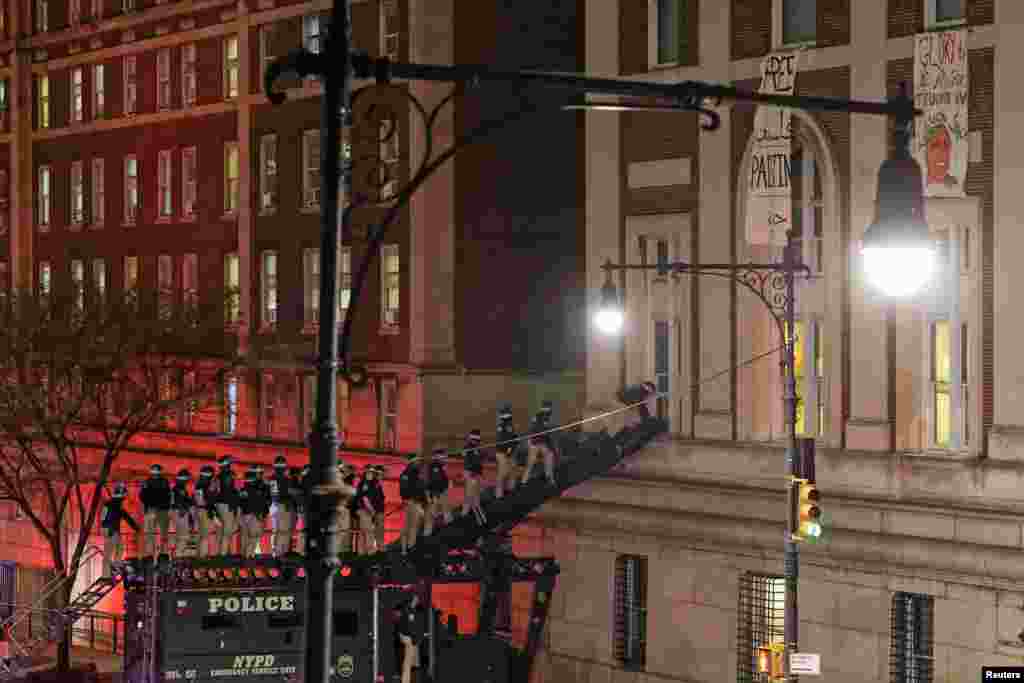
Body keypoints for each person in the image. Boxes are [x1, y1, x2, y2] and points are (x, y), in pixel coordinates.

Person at [100, 482, 138, 578]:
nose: (124, 499)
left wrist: (104, 528)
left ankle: (108, 572)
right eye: (124, 496)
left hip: (109, 529)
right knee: (117, 550)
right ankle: (110, 571)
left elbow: (103, 517)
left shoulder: (109, 504)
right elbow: (125, 515)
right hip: (111, 530)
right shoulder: (116, 505)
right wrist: (136, 527)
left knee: (114, 550)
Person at [140, 463, 172, 557]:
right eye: (154, 472)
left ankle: (160, 554)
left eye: (156, 472)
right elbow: (142, 496)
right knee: (154, 534)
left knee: (159, 534)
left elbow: (143, 496)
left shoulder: (162, 482)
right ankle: (156, 554)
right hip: (155, 510)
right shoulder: (149, 482)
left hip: (159, 510)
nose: (155, 474)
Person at [523, 400, 557, 487]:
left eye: (548, 408)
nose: (548, 410)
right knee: (531, 461)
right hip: (534, 442)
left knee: (549, 457)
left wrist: (551, 447)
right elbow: (537, 431)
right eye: (547, 408)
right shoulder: (538, 416)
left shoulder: (548, 416)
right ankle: (524, 481)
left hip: (542, 442)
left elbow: (547, 434)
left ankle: (549, 478)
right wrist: (551, 446)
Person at [239, 465, 270, 557]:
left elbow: (267, 500)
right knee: (253, 536)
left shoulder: (246, 486)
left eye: (261, 473)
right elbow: (259, 501)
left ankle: (247, 556)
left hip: (249, 514)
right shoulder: (258, 487)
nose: (260, 474)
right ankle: (248, 557)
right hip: (253, 514)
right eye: (259, 473)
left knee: (250, 536)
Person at [396, 593, 427, 683]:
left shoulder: (411, 610)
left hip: (410, 637)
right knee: (408, 662)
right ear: (413, 599)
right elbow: (407, 626)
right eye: (416, 599)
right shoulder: (408, 610)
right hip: (408, 637)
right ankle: (405, 681)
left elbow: (410, 626)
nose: (418, 600)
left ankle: (409, 679)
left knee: (412, 662)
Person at [399, 455, 426, 554]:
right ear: (412, 462)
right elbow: (403, 488)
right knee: (408, 526)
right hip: (411, 502)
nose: (418, 463)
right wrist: (405, 499)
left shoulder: (418, 475)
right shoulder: (406, 474)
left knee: (415, 525)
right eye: (417, 461)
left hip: (418, 503)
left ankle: (411, 546)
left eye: (418, 461)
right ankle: (405, 548)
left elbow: (421, 489)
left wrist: (424, 501)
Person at [269, 455, 295, 557]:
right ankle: (280, 553)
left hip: (276, 506)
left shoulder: (273, 479)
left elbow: (274, 494)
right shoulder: (285, 480)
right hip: (281, 506)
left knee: (278, 531)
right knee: (283, 531)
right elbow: (275, 495)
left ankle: (277, 552)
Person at [214, 455, 240, 555]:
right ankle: (223, 554)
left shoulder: (217, 477)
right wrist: (234, 504)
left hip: (219, 505)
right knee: (228, 531)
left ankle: (220, 553)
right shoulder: (230, 475)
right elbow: (232, 492)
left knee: (221, 531)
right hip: (227, 504)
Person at [461, 429, 486, 524]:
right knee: (469, 498)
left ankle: (479, 521)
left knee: (475, 498)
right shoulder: (468, 448)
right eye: (474, 440)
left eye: (477, 440)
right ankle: (464, 519)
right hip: (471, 474)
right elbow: (468, 461)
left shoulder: (477, 448)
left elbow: (479, 461)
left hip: (476, 474)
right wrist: (472, 475)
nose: (476, 442)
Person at [170, 468, 196, 558]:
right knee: (182, 535)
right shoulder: (179, 489)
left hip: (180, 512)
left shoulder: (180, 488)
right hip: (180, 512)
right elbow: (179, 502)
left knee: (183, 535)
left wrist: (191, 501)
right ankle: (178, 554)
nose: (188, 481)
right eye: (187, 479)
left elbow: (185, 501)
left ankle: (179, 553)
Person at [425, 447, 451, 536]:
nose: (445, 458)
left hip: (441, 492)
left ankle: (447, 531)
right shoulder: (434, 466)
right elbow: (435, 481)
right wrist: (435, 494)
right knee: (432, 514)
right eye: (443, 457)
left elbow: (442, 479)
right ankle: (428, 533)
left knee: (445, 512)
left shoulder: (440, 466)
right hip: (436, 493)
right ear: (437, 456)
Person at [193, 465, 217, 557]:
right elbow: (209, 500)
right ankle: (203, 555)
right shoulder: (207, 485)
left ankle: (198, 555)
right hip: (205, 510)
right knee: (205, 535)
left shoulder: (198, 484)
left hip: (198, 509)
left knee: (200, 535)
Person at [495, 405, 518, 498]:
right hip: (502, 453)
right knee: (503, 472)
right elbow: (502, 441)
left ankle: (510, 490)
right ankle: (499, 494)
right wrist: (508, 449)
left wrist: (515, 440)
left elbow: (512, 437)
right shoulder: (502, 426)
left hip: (509, 452)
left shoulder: (509, 425)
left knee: (513, 470)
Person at [337, 463, 358, 553]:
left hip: (346, 509)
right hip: (342, 508)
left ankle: (344, 550)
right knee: (342, 530)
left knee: (345, 531)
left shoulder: (349, 481)